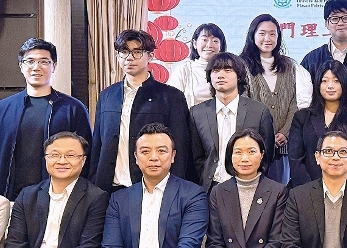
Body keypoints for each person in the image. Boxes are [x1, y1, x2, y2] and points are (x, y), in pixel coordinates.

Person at [0, 38, 91, 201]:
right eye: (30, 61)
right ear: (21, 66)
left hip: (59, 199)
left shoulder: (73, 108)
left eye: (44, 62)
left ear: (54, 66)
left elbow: (86, 156)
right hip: (9, 198)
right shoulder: (2, 109)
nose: (36, 67)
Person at [90, 29, 193, 193]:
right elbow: (97, 146)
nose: (129, 58)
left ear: (150, 56)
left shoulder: (172, 97)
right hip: (109, 188)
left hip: (153, 188)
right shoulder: (107, 95)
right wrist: (93, 184)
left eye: (137, 52)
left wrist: (175, 190)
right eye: (124, 52)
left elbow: (181, 148)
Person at [240, 13, 312, 186]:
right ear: (252, 35)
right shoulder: (241, 65)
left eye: (273, 34)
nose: (268, 38)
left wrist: (285, 133)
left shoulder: (290, 65)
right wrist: (265, 136)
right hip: (254, 145)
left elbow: (296, 102)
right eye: (262, 33)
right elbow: (243, 103)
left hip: (284, 146)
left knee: (280, 191)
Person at [189, 52, 275, 190]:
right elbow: (196, 157)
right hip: (210, 188)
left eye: (228, 70)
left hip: (248, 186)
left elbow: (267, 154)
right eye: (215, 70)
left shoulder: (259, 112)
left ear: (239, 76)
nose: (220, 75)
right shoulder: (197, 113)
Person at [288, 59, 347, 187]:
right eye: (324, 81)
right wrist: (310, 191)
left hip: (343, 191)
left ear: (344, 84)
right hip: (304, 190)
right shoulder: (302, 118)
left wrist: (334, 190)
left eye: (336, 81)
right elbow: (295, 160)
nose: (330, 86)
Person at [169, 23, 228, 108]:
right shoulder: (183, 70)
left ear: (221, 46)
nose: (209, 45)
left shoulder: (230, 71)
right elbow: (172, 102)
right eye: (204, 40)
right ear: (195, 43)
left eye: (215, 41)